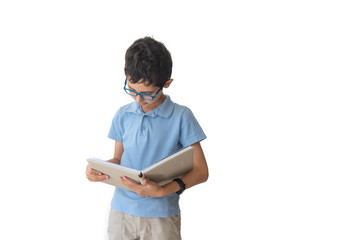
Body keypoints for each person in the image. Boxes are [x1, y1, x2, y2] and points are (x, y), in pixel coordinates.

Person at [85, 37, 208, 240]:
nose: (139, 100)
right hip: (121, 212)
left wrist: (162, 191)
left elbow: (201, 171)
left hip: (161, 216)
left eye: (148, 93)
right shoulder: (122, 114)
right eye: (131, 90)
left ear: (167, 84)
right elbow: (118, 160)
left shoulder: (181, 116)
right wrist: (99, 170)